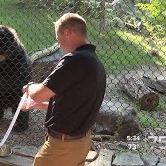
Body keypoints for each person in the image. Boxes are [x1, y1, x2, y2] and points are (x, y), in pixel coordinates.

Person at [22, 13, 106, 166]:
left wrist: (28, 87)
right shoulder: (94, 62)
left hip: (64, 146)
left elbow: (39, 94)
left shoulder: (74, 60)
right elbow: (77, 104)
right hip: (82, 143)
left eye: (58, 38)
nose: (59, 44)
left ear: (67, 33)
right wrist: (43, 106)